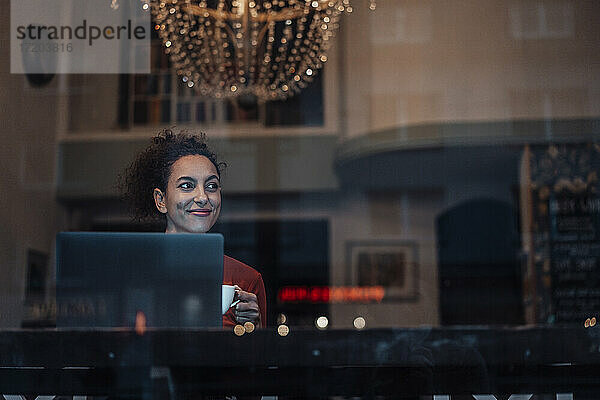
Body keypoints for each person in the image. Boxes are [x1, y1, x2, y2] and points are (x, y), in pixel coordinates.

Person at [120, 129, 266, 328]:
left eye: (211, 186)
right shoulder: (132, 272)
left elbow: (257, 357)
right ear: (161, 200)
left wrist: (254, 329)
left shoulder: (246, 279)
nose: (203, 197)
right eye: (187, 186)